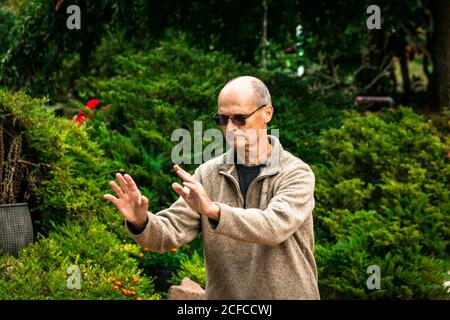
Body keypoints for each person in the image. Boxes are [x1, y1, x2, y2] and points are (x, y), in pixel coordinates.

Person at [103, 76, 320, 299]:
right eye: (223, 119)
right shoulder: (208, 174)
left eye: (239, 118)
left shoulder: (296, 173)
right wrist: (141, 222)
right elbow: (168, 232)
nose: (231, 128)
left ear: (267, 113)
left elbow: (273, 226)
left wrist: (214, 211)